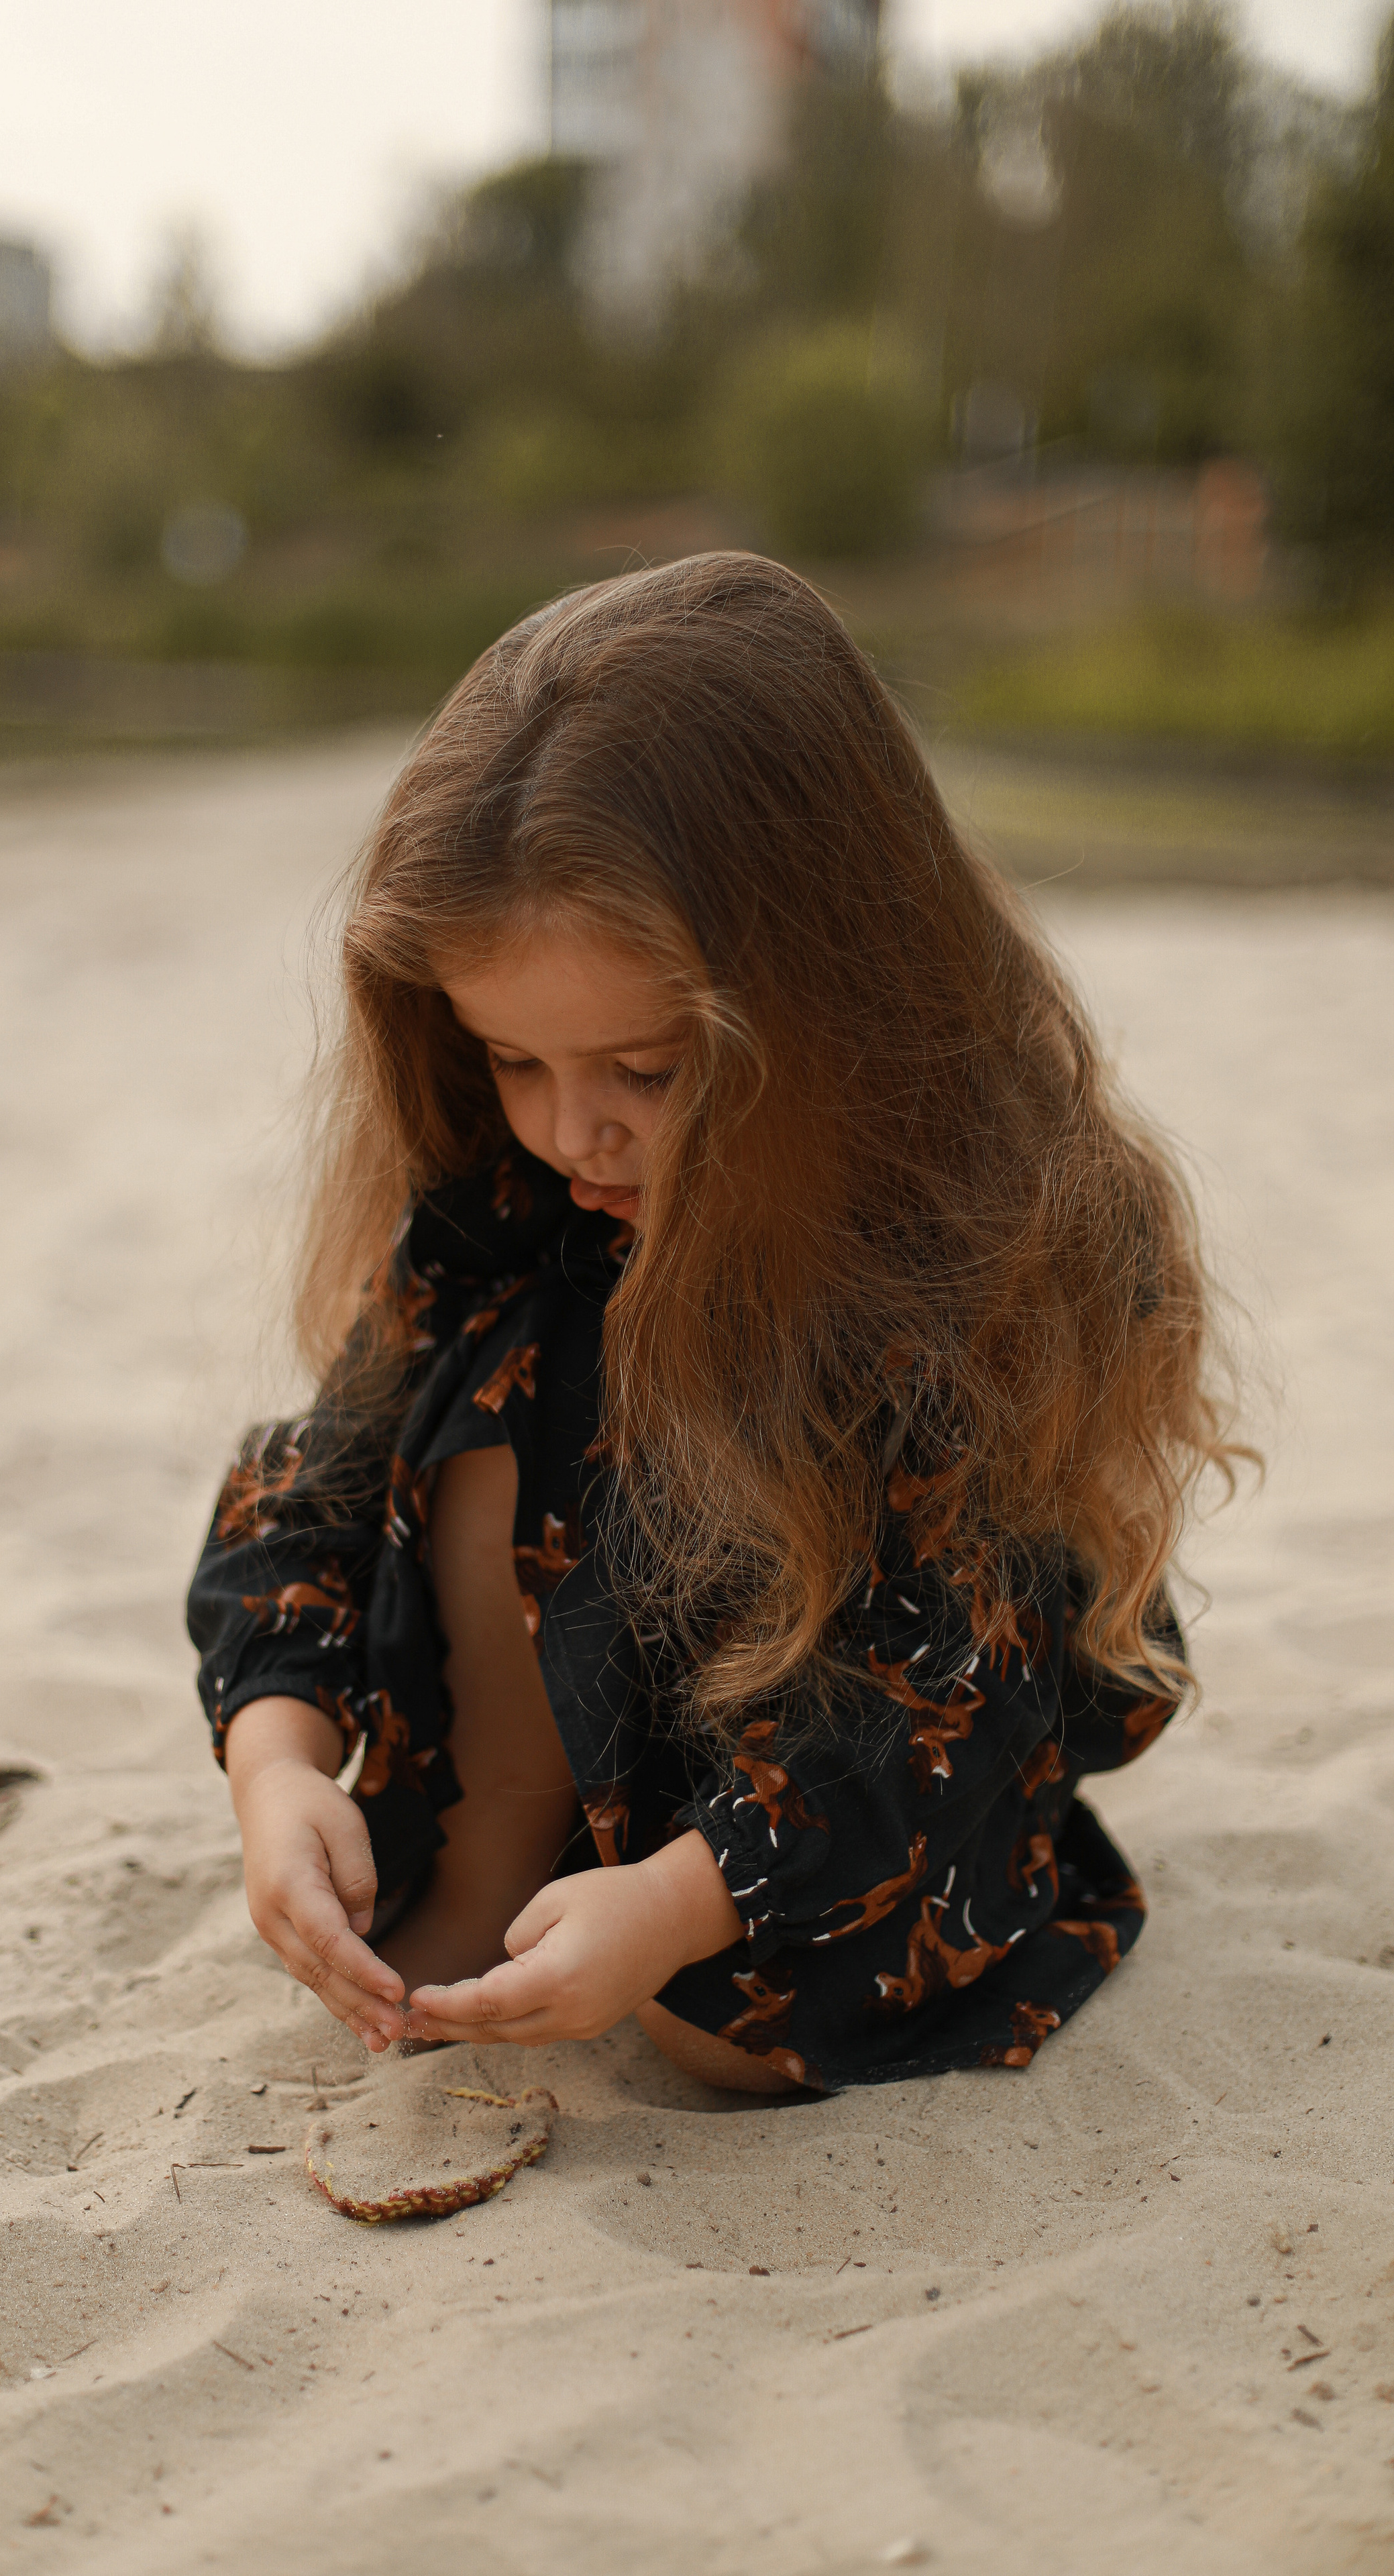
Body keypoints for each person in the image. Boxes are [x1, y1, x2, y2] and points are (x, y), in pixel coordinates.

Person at [186, 552, 1242, 2096]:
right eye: (510, 1059)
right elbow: (316, 1485)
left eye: (647, 1070)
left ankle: (660, 1906)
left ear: (819, 999)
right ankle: (499, 1852)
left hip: (883, 1796)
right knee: (484, 1407)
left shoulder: (943, 1257)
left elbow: (940, 1684)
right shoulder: (520, 1208)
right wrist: (272, 1768)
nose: (571, 1135)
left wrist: (678, 1900)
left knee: (725, 2035)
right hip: (611, 1746)